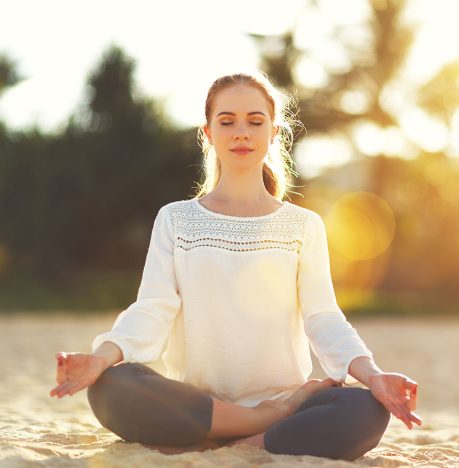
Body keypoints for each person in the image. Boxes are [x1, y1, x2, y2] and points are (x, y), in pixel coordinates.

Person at [50, 71, 422, 461]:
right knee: (112, 386)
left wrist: (374, 376)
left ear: (274, 132)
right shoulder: (176, 220)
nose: (241, 132)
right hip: (200, 404)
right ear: (208, 133)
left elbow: (323, 316)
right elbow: (152, 308)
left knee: (366, 409)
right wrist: (101, 357)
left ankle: (228, 438)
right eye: (227, 121)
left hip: (277, 400)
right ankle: (258, 424)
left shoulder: (303, 226)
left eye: (255, 121)